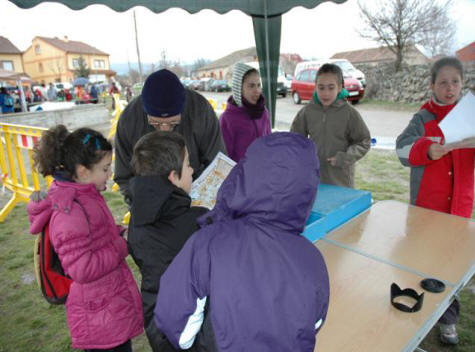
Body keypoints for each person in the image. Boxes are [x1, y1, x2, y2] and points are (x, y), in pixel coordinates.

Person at [154, 132, 330, 352]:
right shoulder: (312, 258)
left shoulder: (207, 243)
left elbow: (178, 329)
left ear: (245, 174)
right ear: (308, 187)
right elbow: (314, 322)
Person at [27, 125, 143, 352]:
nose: (110, 174)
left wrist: (118, 232)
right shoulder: (70, 211)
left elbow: (95, 237)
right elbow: (82, 268)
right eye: (105, 168)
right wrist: (122, 245)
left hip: (106, 305)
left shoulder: (85, 195)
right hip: (99, 313)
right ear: (83, 171)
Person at [396, 57, 474, 345]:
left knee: (451, 267)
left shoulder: (470, 117)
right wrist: (428, 150)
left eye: (455, 81)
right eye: (443, 82)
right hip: (426, 211)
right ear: (431, 85)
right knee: (423, 263)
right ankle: (420, 311)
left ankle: (448, 321)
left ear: (462, 84)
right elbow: (401, 150)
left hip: (459, 211)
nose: (449, 87)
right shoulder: (422, 119)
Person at [128, 131, 208, 351]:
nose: (192, 170)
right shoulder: (196, 223)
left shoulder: (138, 215)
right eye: (189, 164)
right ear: (173, 176)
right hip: (187, 328)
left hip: (156, 318)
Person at [114, 69, 226, 205]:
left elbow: (217, 163)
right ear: (145, 111)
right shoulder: (129, 120)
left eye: (173, 123)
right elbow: (124, 176)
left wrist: (201, 203)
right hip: (149, 205)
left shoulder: (200, 110)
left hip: (196, 201)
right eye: (156, 123)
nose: (165, 129)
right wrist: (142, 207)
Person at [290, 63, 371, 188]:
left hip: (340, 180)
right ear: (315, 87)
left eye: (331, 88)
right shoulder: (307, 111)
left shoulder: (349, 113)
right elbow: (294, 140)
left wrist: (344, 158)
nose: (325, 93)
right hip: (313, 179)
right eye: (321, 88)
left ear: (340, 87)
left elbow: (364, 141)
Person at [219, 62, 271, 162]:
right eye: (251, 86)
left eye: (258, 85)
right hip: (241, 176)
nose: (257, 91)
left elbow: (269, 143)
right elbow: (224, 158)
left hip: (263, 173)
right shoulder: (228, 119)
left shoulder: (264, 112)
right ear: (239, 88)